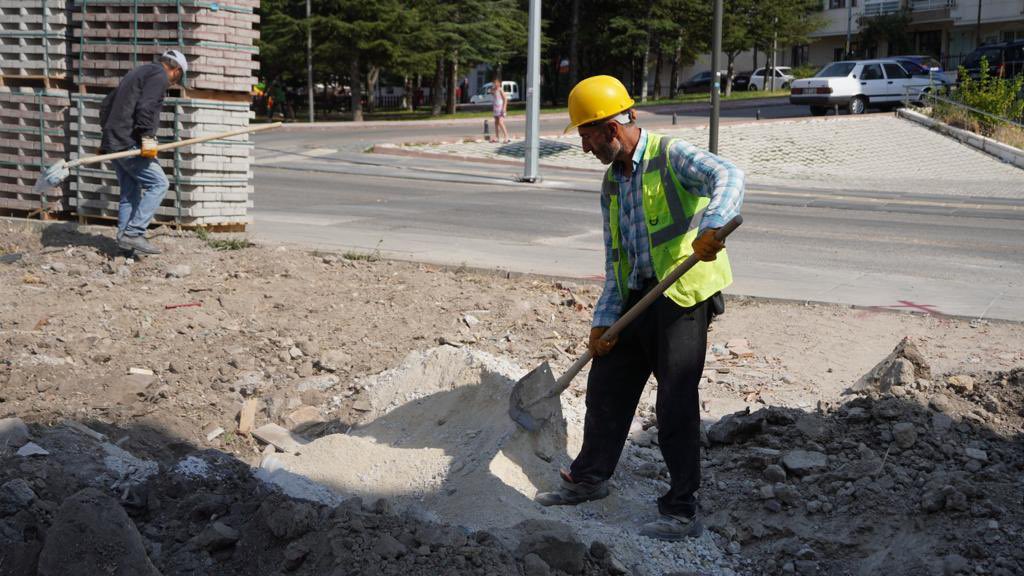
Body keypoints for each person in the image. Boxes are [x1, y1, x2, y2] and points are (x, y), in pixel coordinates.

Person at [534, 75, 744, 542]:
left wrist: (712, 225)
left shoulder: (671, 156)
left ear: (610, 127)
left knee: (674, 402)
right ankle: (590, 478)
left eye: (587, 136)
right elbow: (616, 263)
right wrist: (603, 322)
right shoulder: (612, 184)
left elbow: (728, 175)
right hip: (637, 296)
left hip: (682, 295)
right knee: (606, 385)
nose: (585, 147)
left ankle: (681, 509)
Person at [100, 50, 187, 254]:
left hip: (115, 139)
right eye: (179, 77)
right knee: (159, 183)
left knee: (130, 192)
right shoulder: (159, 76)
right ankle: (134, 233)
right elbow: (146, 107)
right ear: (175, 70)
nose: (174, 82)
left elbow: (106, 104)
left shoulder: (138, 72)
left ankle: (124, 243)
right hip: (129, 141)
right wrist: (147, 137)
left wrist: (107, 136)